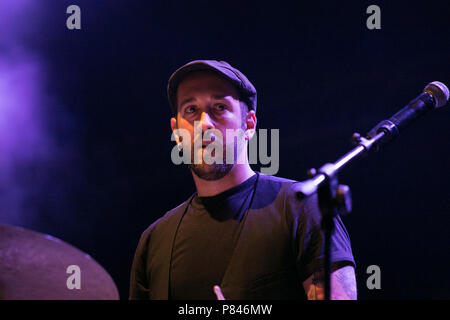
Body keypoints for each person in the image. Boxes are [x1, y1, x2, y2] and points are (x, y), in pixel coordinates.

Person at [129, 60, 356, 300]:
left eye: (219, 107)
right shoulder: (154, 241)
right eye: (191, 109)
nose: (204, 123)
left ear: (249, 124)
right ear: (176, 131)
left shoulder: (301, 206)